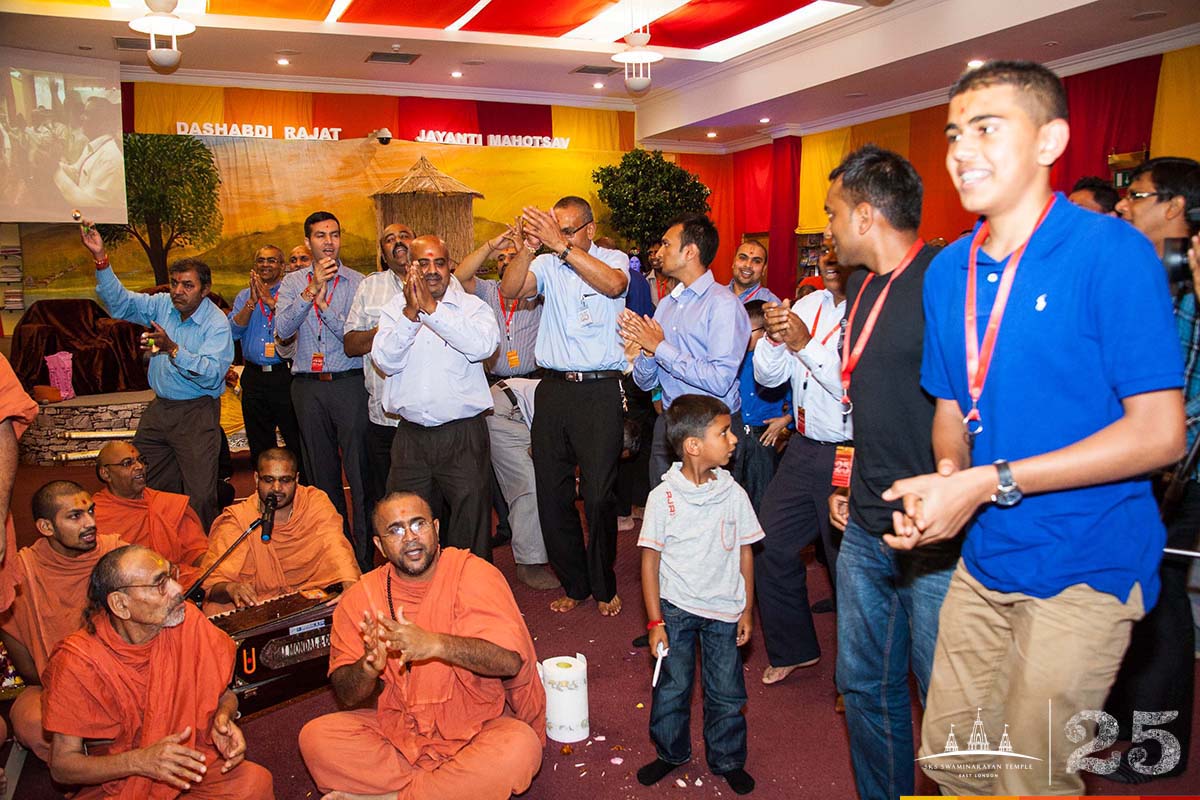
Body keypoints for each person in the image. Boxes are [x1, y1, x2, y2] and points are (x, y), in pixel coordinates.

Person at [885, 60, 1185, 796]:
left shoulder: (1110, 254)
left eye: (987, 128)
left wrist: (992, 482)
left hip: (1089, 565)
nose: (961, 149)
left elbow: (1159, 435)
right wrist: (950, 483)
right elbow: (953, 413)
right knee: (953, 767)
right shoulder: (948, 270)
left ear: (1051, 140)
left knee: (1028, 780)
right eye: (955, 133)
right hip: (987, 559)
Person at [808, 145, 952, 799]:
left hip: (935, 537)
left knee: (948, 706)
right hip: (863, 526)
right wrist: (843, 481)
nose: (827, 229)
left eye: (834, 213)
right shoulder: (862, 288)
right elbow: (861, 408)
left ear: (866, 214)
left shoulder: (943, 284)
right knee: (865, 687)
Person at [298, 491, 545, 799]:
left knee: (518, 747)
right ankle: (440, 789)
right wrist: (368, 667)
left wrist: (436, 645)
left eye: (419, 524)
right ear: (379, 545)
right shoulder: (362, 596)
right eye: (396, 530)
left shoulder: (473, 574)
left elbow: (509, 663)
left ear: (436, 529)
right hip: (402, 731)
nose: (411, 537)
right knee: (317, 738)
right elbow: (347, 695)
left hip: (479, 728)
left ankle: (392, 795)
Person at [1105, 155, 1200, 781]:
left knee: (1159, 607)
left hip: (1178, 479)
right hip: (1133, 469)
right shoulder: (1152, 278)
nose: (1123, 205)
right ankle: (1115, 731)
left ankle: (1154, 756)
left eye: (1135, 194)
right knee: (1124, 602)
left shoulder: (1192, 285)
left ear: (1174, 206)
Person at [42, 545, 274, 799]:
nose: (178, 590)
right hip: (120, 778)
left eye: (171, 576)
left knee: (254, 784)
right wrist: (141, 761)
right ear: (120, 605)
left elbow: (225, 695)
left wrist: (223, 719)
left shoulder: (188, 623)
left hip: (189, 763)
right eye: (159, 584)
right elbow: (62, 767)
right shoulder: (78, 661)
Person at [499, 196, 630, 615]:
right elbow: (511, 289)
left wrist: (562, 247)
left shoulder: (613, 258)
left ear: (589, 229)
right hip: (552, 389)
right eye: (557, 228)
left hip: (600, 390)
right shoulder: (546, 261)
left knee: (597, 495)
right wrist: (527, 247)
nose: (562, 236)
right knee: (552, 495)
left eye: (570, 229)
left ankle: (603, 582)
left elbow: (613, 286)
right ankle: (575, 582)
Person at [637, 394, 761, 795]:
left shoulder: (734, 493)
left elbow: (746, 552)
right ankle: (671, 752)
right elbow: (649, 563)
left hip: (724, 610)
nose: (734, 439)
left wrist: (746, 610)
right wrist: (655, 621)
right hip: (676, 610)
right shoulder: (663, 498)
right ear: (693, 446)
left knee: (726, 692)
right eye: (723, 433)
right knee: (673, 687)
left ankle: (727, 758)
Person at [80, 221, 234, 530]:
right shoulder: (162, 305)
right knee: (145, 480)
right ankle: (157, 544)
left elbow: (212, 374)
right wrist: (101, 259)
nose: (178, 291)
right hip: (159, 409)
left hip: (197, 412)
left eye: (187, 285)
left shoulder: (216, 324)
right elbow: (120, 304)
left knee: (200, 495)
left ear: (204, 290)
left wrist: (173, 349)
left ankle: (203, 559)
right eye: (175, 283)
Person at [752, 242, 857, 687]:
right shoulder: (807, 304)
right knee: (768, 543)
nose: (829, 259)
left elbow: (853, 389)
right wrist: (775, 340)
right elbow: (769, 379)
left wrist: (805, 343)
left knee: (847, 565)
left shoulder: (872, 308)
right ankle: (795, 649)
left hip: (851, 453)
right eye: (824, 252)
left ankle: (857, 675)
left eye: (839, 251)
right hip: (803, 446)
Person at [371, 235, 499, 559]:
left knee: (470, 526)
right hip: (411, 438)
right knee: (405, 524)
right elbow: (384, 360)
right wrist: (412, 315)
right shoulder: (393, 312)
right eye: (423, 263)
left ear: (449, 266)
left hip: (463, 435)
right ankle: (417, 599)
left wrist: (432, 310)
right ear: (410, 267)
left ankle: (471, 599)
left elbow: (483, 347)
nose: (432, 270)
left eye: (439, 262)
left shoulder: (473, 308)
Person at [624, 213, 751, 491]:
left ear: (690, 251)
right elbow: (646, 382)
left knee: (711, 519)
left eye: (667, 244)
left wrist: (660, 347)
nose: (659, 252)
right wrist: (646, 351)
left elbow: (719, 379)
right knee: (667, 510)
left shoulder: (723, 305)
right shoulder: (668, 305)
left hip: (712, 427)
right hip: (669, 423)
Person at [0, 481, 125, 763]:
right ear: (46, 527)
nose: (90, 522)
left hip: (123, 679)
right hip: (55, 686)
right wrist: (70, 685)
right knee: (30, 720)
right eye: (75, 516)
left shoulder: (115, 553)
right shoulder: (23, 572)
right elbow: (29, 668)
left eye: (91, 512)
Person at [275, 211, 372, 572]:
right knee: (321, 477)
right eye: (320, 236)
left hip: (348, 384)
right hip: (306, 387)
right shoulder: (292, 283)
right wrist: (310, 290)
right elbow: (283, 329)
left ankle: (364, 556)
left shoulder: (358, 282)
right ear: (308, 241)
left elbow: (352, 338)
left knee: (360, 475)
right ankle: (336, 556)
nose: (328, 241)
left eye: (334, 234)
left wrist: (325, 308)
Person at [201, 448, 360, 613]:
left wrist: (349, 583)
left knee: (355, 597)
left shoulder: (314, 503)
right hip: (258, 604)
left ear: (296, 480)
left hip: (313, 593)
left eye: (285, 480)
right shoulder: (239, 520)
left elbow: (335, 547)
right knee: (215, 610)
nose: (276, 488)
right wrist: (230, 588)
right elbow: (212, 585)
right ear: (256, 479)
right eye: (269, 480)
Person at [345, 223, 415, 523]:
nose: (397, 242)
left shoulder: (439, 282)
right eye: (389, 240)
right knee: (387, 499)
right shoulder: (369, 287)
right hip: (383, 417)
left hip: (427, 417)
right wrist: (387, 329)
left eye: (404, 236)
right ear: (383, 254)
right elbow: (350, 344)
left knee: (430, 499)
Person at [228, 245, 305, 479]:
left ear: (282, 267)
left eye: (272, 261)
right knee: (259, 441)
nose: (265, 265)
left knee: (294, 438)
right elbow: (232, 332)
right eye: (261, 260)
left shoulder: (291, 294)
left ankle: (302, 492)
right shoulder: (243, 295)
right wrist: (252, 303)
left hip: (285, 375)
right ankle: (265, 490)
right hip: (253, 377)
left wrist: (270, 301)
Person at [92, 441, 207, 584]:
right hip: (126, 590)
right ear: (106, 474)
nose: (139, 467)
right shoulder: (93, 514)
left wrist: (217, 569)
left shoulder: (167, 504)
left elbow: (196, 551)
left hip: (177, 584)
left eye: (141, 460)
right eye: (127, 463)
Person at [731, 300, 791, 511]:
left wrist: (786, 419)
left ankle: (760, 543)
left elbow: (798, 396)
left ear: (766, 331)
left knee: (762, 497)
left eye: (748, 331)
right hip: (735, 434)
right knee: (734, 493)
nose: (741, 335)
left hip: (763, 436)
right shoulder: (734, 357)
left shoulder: (776, 361)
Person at [52, 97, 123, 208]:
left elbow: (92, 204)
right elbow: (76, 172)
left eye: (87, 114)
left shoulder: (110, 158)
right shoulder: (93, 146)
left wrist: (55, 171)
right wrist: (53, 164)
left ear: (102, 123)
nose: (81, 117)